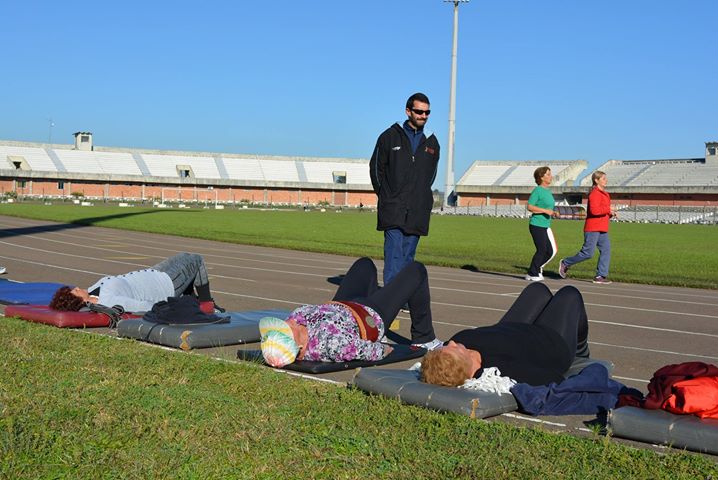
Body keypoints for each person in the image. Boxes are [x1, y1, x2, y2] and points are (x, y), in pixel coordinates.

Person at [259, 257, 442, 368]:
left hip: (344, 303)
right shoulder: (330, 345)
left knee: (365, 265)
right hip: (369, 316)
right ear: (299, 346)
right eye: (287, 329)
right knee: (416, 271)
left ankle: (376, 299)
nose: (288, 321)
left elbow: (296, 320)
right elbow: (373, 351)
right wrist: (381, 345)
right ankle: (424, 337)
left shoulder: (295, 322)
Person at [421, 282, 591, 387]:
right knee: (569, 294)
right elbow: (554, 379)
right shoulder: (500, 371)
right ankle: (581, 348)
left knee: (537, 290)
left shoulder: (461, 341)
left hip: (515, 328)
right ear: (466, 367)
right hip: (552, 342)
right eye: (453, 349)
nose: (451, 343)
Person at [369, 92, 440, 287]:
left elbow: (431, 175)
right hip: (393, 207)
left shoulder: (432, 142)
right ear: (408, 111)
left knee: (408, 256)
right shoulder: (389, 137)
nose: (423, 116)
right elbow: (376, 169)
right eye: (419, 112)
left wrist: (421, 195)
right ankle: (391, 296)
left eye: (427, 112)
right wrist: (386, 195)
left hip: (417, 209)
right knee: (394, 253)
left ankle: (403, 294)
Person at [48, 252, 221, 313]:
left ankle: (192, 300)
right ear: (79, 299)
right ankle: (207, 304)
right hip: (166, 285)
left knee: (184, 256)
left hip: (155, 272)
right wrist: (172, 307)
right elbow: (143, 306)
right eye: (75, 291)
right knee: (196, 260)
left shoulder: (93, 290)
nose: (78, 287)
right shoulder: (109, 301)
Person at [560, 171, 616, 284]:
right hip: (593, 228)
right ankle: (565, 263)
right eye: (603, 178)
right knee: (588, 253)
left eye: (606, 178)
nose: (606, 180)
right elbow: (594, 211)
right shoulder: (594, 194)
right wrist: (608, 210)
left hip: (603, 228)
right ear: (596, 180)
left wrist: (611, 213)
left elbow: (603, 211)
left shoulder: (605, 194)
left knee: (606, 250)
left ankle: (600, 276)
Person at [525, 166, 559, 281]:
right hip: (536, 225)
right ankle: (532, 273)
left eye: (550, 174)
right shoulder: (538, 190)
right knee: (542, 250)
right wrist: (545, 211)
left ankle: (536, 269)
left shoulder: (547, 191)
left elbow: (547, 208)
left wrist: (553, 212)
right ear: (541, 177)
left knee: (550, 251)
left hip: (546, 225)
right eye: (548, 174)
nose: (551, 176)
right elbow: (530, 206)